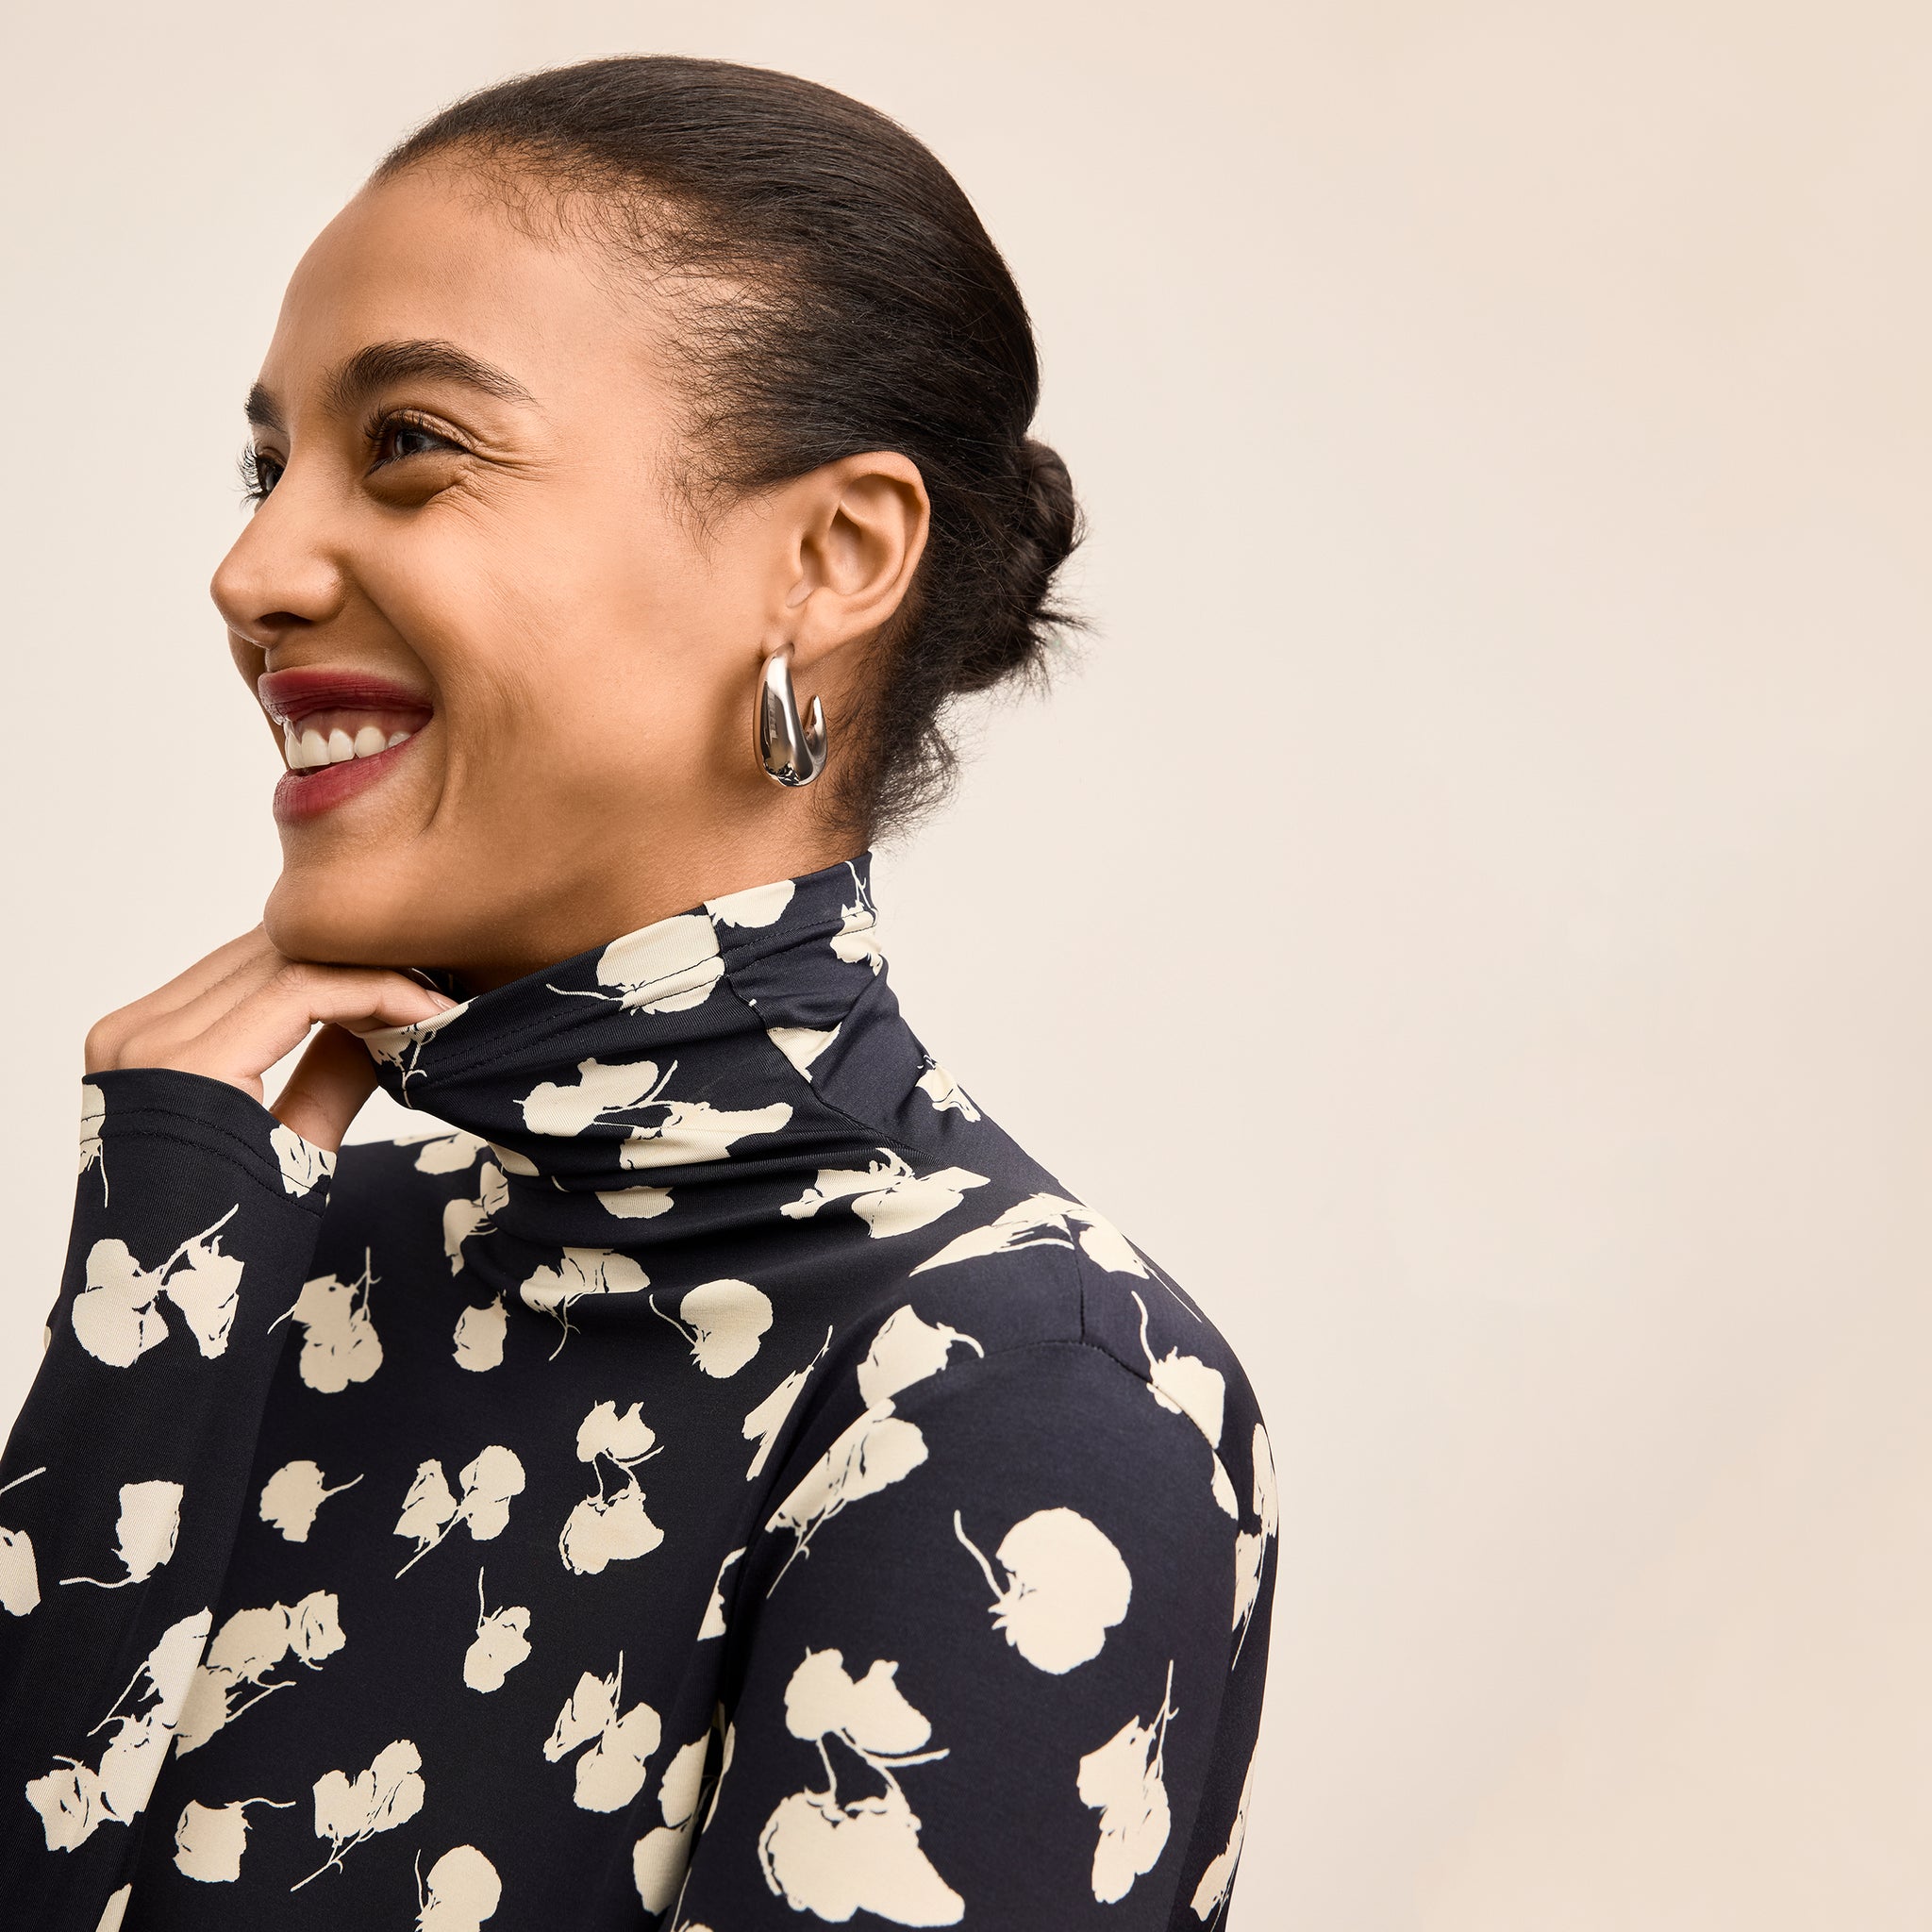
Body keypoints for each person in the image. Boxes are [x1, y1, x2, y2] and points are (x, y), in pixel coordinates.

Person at [0, 56, 1273, 1930]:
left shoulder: (1033, 1395)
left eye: (415, 445)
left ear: (828, 558)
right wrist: (148, 1329)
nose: (252, 566)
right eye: (269, 469)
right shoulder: (287, 1255)